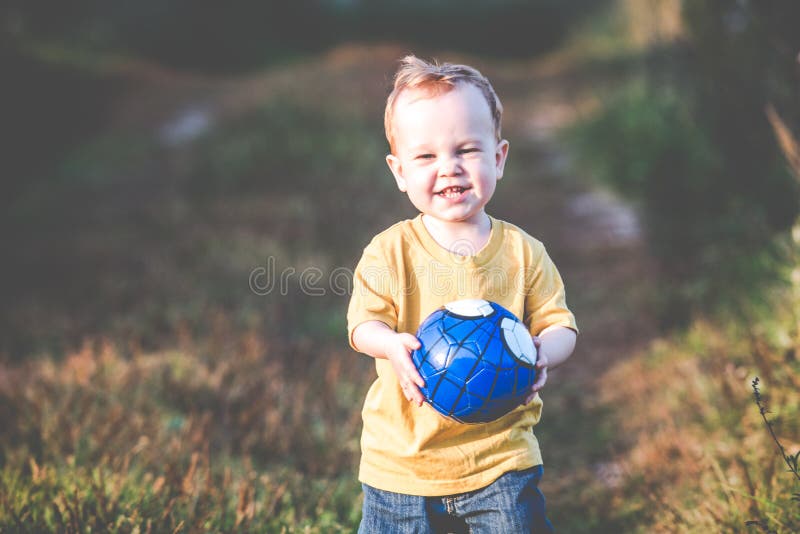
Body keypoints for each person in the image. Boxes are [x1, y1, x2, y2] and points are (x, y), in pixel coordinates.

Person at [346, 55, 578, 533]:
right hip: (404, 459)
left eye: (467, 150)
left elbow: (561, 324)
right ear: (399, 171)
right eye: (426, 157)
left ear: (498, 157)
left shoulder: (522, 252)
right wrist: (389, 344)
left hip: (500, 456)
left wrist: (541, 351)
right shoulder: (390, 251)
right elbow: (362, 325)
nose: (449, 168)